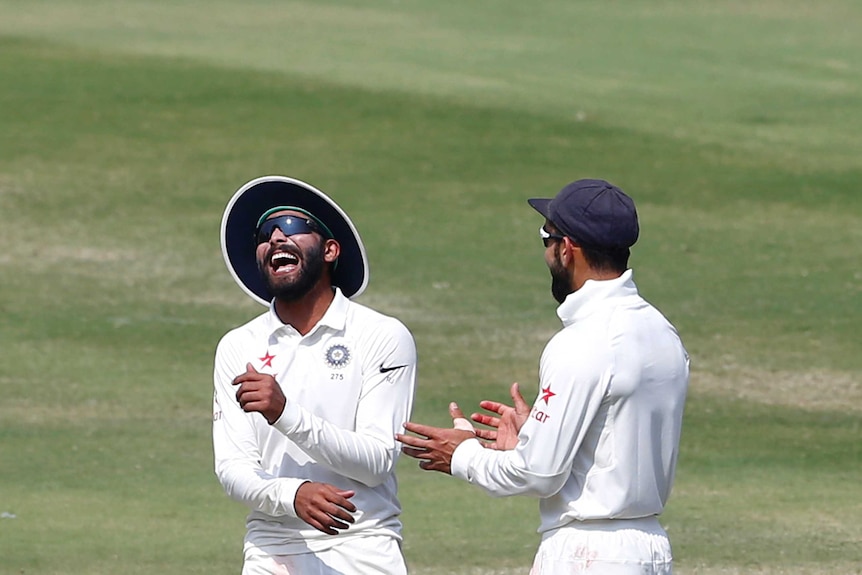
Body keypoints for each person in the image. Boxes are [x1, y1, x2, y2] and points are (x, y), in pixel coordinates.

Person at [397, 179, 689, 574]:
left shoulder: (582, 341)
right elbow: (612, 439)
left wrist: (462, 455)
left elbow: (538, 473)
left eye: (546, 238)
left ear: (567, 249)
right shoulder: (662, 332)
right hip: (649, 549)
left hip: (589, 555)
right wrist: (538, 433)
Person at [213, 175, 417, 575]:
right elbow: (233, 468)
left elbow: (376, 462)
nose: (275, 239)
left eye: (290, 227)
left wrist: (285, 413)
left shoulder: (382, 335)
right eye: (264, 234)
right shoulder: (238, 346)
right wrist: (292, 495)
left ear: (329, 249)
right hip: (273, 549)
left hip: (363, 544)